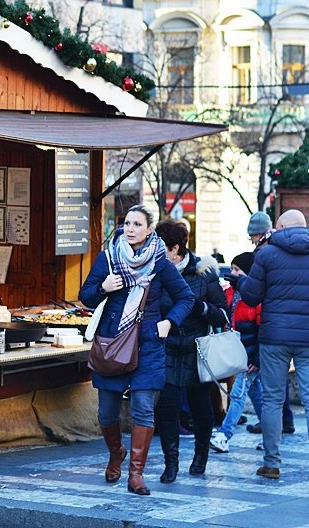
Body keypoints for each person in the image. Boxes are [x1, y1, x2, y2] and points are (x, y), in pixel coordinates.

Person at [80, 205, 194, 496]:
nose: (130, 229)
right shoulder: (108, 258)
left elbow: (185, 297)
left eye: (137, 224)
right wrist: (103, 287)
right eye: (127, 223)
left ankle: (136, 474)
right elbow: (86, 297)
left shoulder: (159, 262)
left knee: (144, 409)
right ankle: (116, 452)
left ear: (149, 230)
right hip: (113, 344)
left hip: (148, 346)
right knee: (107, 413)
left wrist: (169, 322)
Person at [238, 209, 309, 483]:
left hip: (274, 338)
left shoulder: (266, 255)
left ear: (284, 226)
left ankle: (272, 463)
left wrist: (242, 281)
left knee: (273, 400)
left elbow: (251, 297)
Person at [153, 220, 229, 483]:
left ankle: (200, 457)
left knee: (201, 408)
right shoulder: (157, 271)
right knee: (167, 408)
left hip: (198, 350)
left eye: (161, 247)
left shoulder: (203, 272)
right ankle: (170, 463)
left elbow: (223, 316)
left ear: (175, 249)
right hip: (168, 348)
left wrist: (201, 309)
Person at [244, 211, 295, 435]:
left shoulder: (265, 252)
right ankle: (285, 421)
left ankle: (272, 432)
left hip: (272, 324)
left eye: (253, 236)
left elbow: (256, 292)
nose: (252, 241)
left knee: (271, 384)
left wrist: (242, 284)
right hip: (299, 328)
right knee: (308, 395)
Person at [210, 252, 264, 453]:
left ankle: (224, 434)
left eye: (237, 270)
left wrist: (256, 358)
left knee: (238, 393)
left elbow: (262, 329)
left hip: (249, 355)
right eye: (231, 269)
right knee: (256, 394)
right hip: (237, 351)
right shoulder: (230, 293)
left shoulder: (257, 299)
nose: (232, 273)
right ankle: (270, 435)